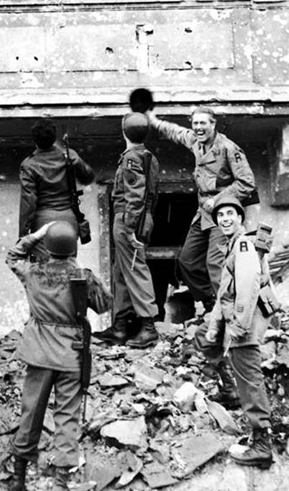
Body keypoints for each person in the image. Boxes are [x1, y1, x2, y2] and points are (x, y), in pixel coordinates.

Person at [7, 221, 110, 491]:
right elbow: (104, 305)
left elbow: (12, 256)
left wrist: (35, 236)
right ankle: (62, 481)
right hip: (71, 355)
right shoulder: (83, 276)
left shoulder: (32, 272)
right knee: (67, 418)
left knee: (31, 414)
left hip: (39, 354)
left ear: (47, 246)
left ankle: (19, 478)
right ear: (73, 247)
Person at [147, 107, 256, 310]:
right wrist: (154, 121)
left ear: (213, 124)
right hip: (203, 212)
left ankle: (228, 311)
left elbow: (247, 182)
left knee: (215, 263)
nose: (198, 128)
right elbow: (176, 132)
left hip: (222, 213)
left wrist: (218, 201)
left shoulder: (228, 148)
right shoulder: (196, 141)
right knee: (187, 261)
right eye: (195, 123)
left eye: (203, 123)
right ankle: (211, 303)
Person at [195, 194, 275, 469]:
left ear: (240, 218)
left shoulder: (242, 245)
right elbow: (223, 295)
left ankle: (262, 444)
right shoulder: (232, 245)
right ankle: (229, 389)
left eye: (230, 214)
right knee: (203, 338)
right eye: (220, 215)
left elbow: (248, 285)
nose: (225, 219)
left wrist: (238, 326)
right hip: (238, 318)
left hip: (246, 321)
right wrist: (215, 327)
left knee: (250, 379)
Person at [94, 113, 160, 348]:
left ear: (124, 132)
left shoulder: (132, 157)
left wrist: (131, 226)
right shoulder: (146, 156)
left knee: (134, 268)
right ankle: (120, 326)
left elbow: (136, 194)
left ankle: (148, 327)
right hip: (139, 217)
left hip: (128, 219)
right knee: (122, 270)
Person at [19, 118, 94, 260]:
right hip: (69, 219)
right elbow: (88, 177)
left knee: (45, 273)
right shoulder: (69, 155)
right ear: (54, 137)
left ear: (35, 140)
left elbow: (28, 203)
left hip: (42, 223)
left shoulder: (29, 164)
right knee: (68, 267)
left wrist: (22, 236)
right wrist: (75, 161)